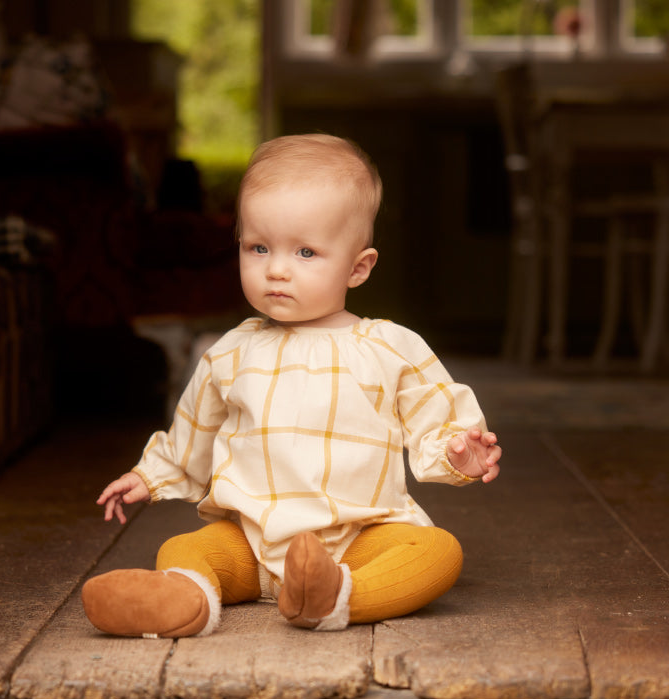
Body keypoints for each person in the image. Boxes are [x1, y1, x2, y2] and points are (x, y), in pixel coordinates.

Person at [82, 133, 501, 639]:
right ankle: (185, 597)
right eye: (258, 248)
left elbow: (436, 417)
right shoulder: (230, 351)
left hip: (358, 540)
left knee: (435, 552)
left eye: (305, 252)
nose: (276, 269)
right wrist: (151, 476)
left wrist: (459, 453)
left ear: (358, 267)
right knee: (186, 547)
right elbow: (194, 431)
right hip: (251, 541)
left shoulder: (389, 346)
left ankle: (338, 596)